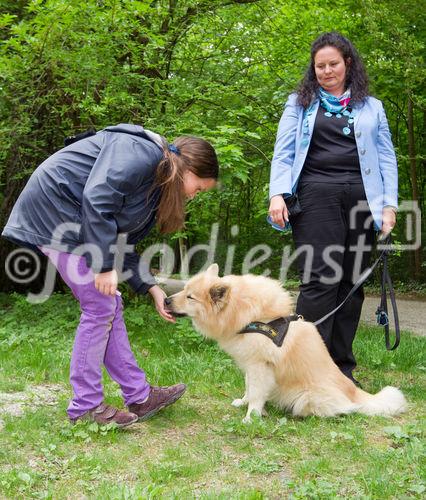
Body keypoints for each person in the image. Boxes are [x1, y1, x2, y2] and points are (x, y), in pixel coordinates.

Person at [2, 124, 218, 426]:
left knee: (108, 305)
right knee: (99, 305)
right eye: (197, 189)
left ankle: (139, 397)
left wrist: (151, 287)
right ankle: (86, 406)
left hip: (75, 218)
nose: (194, 196)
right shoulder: (142, 154)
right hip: (56, 212)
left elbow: (119, 239)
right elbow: (97, 199)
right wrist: (103, 266)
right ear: (189, 169)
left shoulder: (155, 181)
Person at [268, 32, 398, 384]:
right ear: (313, 69)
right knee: (319, 281)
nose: (327, 71)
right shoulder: (299, 102)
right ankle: (303, 370)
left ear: (348, 64)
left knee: (352, 284)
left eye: (333, 64)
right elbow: (283, 152)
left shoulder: (372, 107)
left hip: (363, 200)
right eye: (320, 66)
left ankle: (341, 370)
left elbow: (386, 157)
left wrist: (388, 205)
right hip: (314, 196)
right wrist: (277, 193)